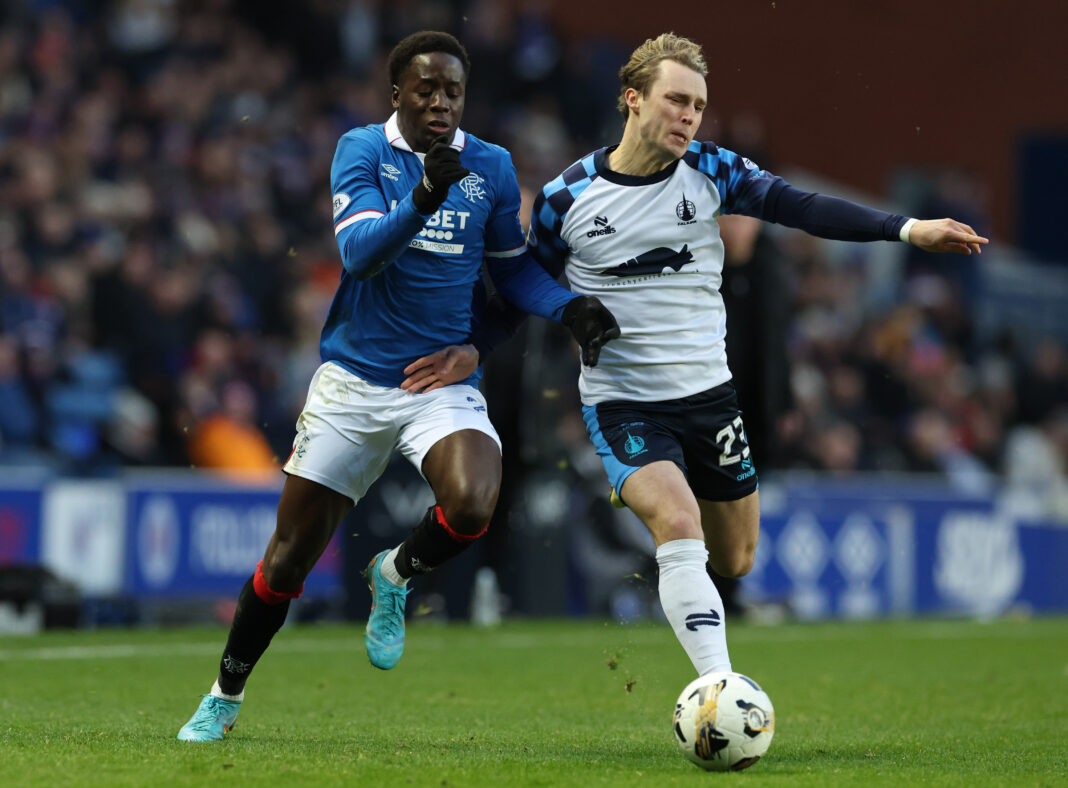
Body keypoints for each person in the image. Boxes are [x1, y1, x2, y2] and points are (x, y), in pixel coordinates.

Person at [406, 32, 986, 678]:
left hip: (710, 398)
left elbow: (802, 207)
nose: (689, 116)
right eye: (676, 100)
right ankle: (717, 687)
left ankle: (682, 570)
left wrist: (905, 228)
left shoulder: (713, 171)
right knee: (679, 523)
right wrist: (474, 349)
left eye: (698, 105)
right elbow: (523, 288)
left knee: (735, 557)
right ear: (633, 99)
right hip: (624, 404)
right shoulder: (566, 199)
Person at [177, 30, 619, 742]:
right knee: (288, 557)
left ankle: (397, 572)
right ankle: (225, 692)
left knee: (474, 501)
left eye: (453, 91)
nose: (441, 103)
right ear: (397, 93)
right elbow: (358, 255)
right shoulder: (362, 151)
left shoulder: (492, 167)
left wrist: (571, 309)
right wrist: (420, 195)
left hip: (435, 384)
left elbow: (510, 273)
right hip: (353, 383)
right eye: (427, 89)